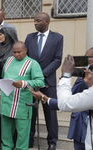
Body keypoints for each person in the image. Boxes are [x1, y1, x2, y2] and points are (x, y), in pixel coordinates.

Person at [32, 49, 93, 150]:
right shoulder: (85, 76)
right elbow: (73, 95)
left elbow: (66, 102)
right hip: (80, 123)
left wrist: (66, 75)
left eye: (88, 57)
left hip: (84, 121)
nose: (84, 60)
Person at [25, 12, 63, 149]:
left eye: (38, 21)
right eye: (34, 21)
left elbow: (57, 59)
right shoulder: (29, 38)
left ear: (47, 22)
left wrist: (41, 74)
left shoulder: (57, 38)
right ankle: (29, 139)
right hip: (32, 83)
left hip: (48, 82)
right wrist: (34, 76)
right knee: (31, 112)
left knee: (50, 114)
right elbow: (26, 57)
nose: (35, 23)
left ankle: (52, 142)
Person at [0, 41, 45, 150]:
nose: (16, 54)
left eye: (19, 52)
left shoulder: (32, 63)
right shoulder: (9, 60)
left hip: (22, 104)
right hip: (6, 102)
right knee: (5, 135)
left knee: (22, 135)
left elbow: (40, 82)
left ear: (25, 50)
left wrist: (24, 83)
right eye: (14, 52)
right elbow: (2, 78)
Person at [0, 27, 18, 146]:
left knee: (10, 114)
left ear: (8, 35)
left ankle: (12, 141)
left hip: (11, 86)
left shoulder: (14, 50)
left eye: (1, 34)